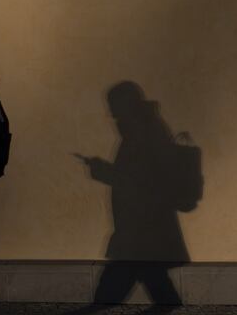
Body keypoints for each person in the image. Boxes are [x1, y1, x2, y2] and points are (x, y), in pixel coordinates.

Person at [77, 81, 188, 306]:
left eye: (113, 105)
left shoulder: (140, 131)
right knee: (151, 276)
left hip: (140, 223)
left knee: (122, 276)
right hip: (144, 225)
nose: (110, 113)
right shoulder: (147, 127)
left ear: (125, 104)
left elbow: (136, 180)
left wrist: (102, 171)